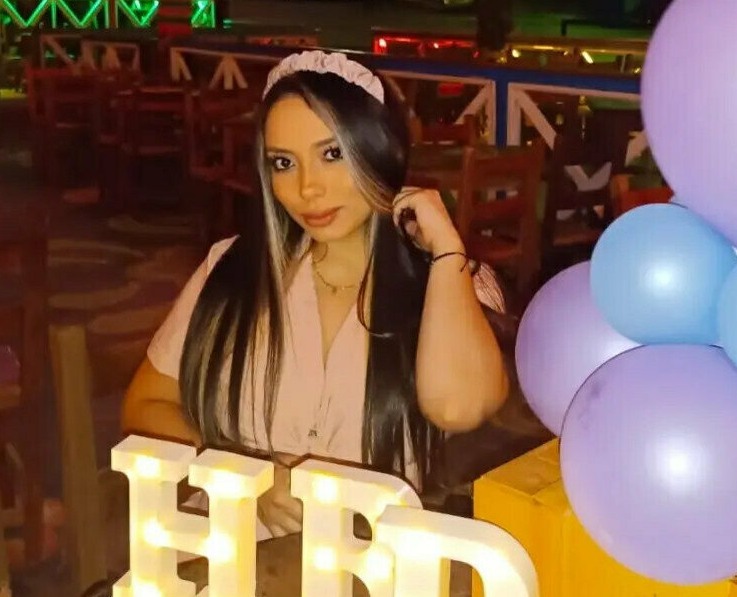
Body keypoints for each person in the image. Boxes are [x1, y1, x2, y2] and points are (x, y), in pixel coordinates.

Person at [122, 50, 510, 537]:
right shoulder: (231, 269)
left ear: (379, 150)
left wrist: (448, 251)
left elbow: (458, 407)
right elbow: (144, 405)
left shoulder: (454, 284)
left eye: (332, 154)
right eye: (284, 163)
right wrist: (247, 475)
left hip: (375, 569)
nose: (307, 188)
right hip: (223, 560)